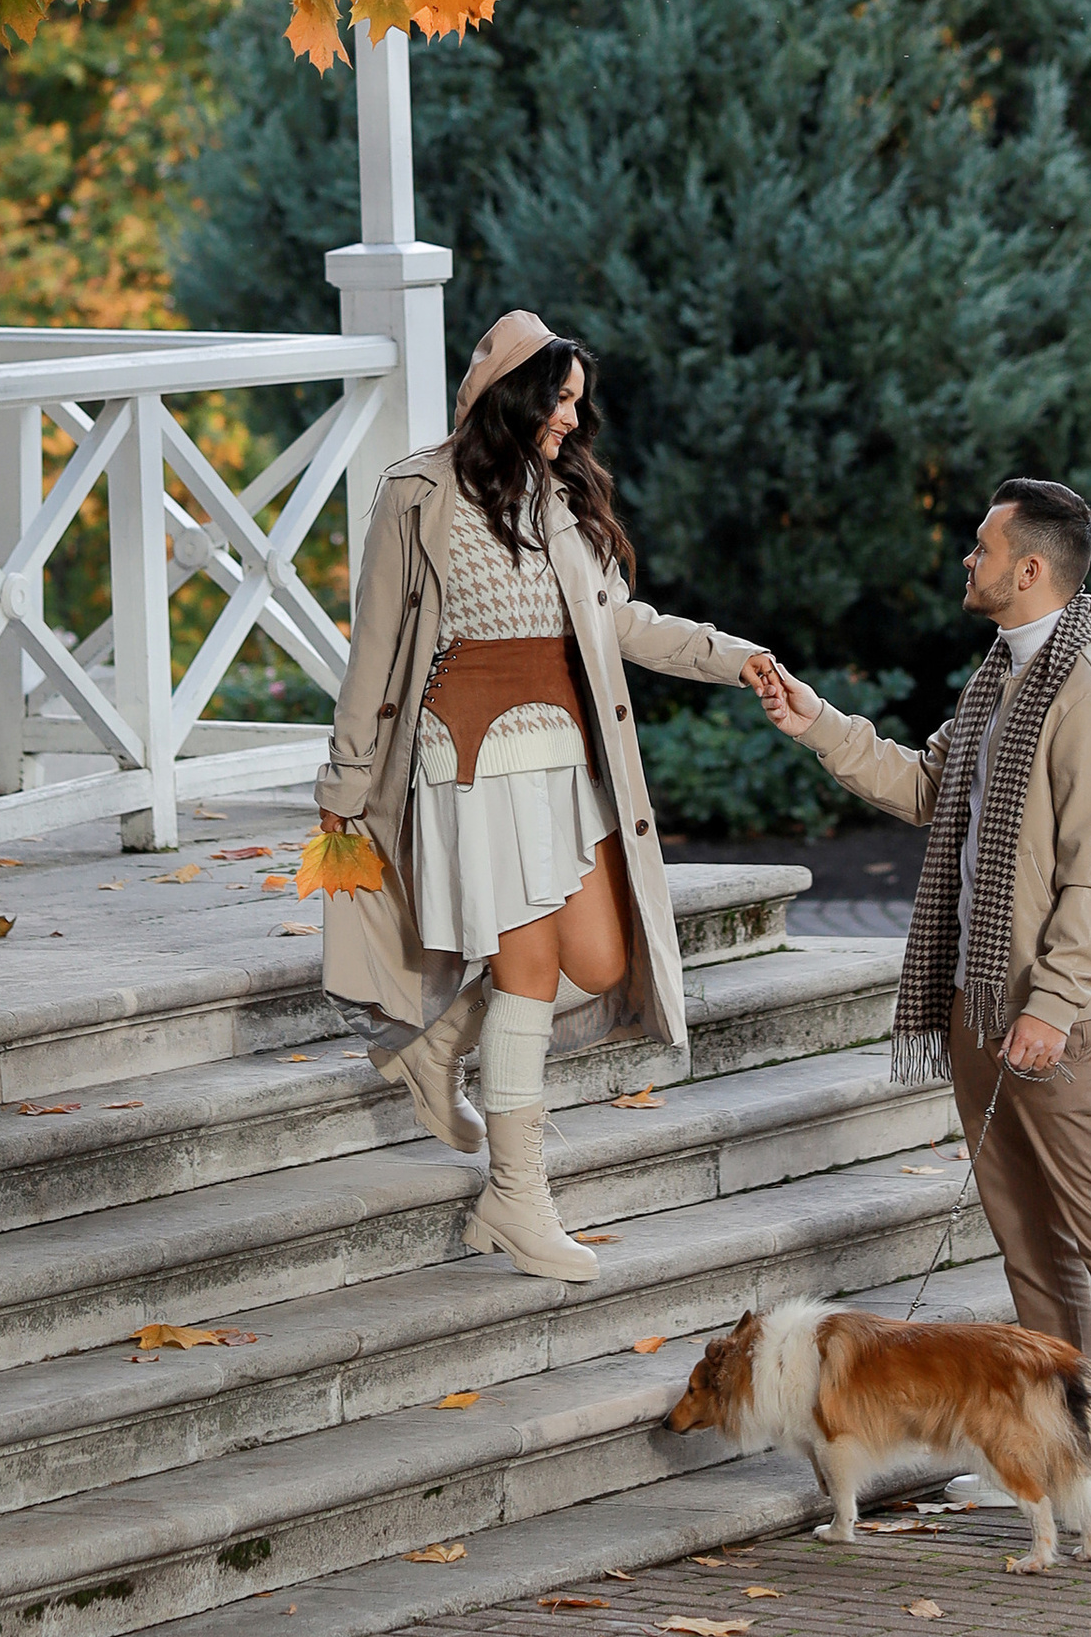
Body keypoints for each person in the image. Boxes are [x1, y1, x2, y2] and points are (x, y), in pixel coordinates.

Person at [747, 475, 1091, 1535]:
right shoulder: (1000, 682)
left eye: (979, 549)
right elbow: (928, 791)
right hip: (980, 1000)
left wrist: (1056, 1004)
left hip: (1062, 1019)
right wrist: (819, 724)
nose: (965, 563)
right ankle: (1049, 1444)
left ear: (1029, 568)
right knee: (1029, 1244)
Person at [315, 309, 787, 1280]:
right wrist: (345, 784)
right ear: (513, 393)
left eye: (579, 405)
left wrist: (736, 658)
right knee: (529, 967)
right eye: (560, 400)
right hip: (469, 755)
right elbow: (374, 653)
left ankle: (438, 1044)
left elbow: (624, 626)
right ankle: (517, 1199)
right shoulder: (416, 492)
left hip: (564, 752)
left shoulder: (564, 500)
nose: (572, 420)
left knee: (602, 958)